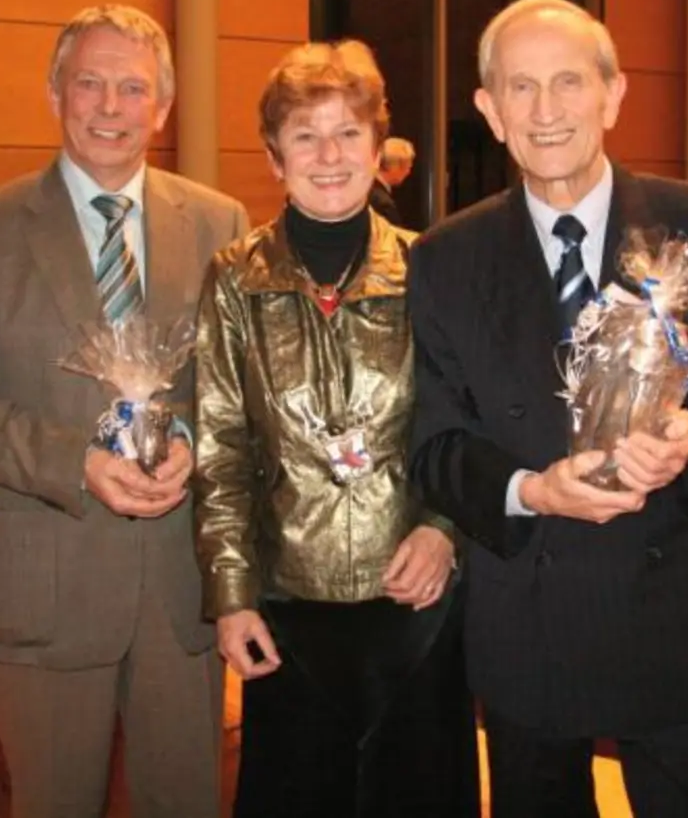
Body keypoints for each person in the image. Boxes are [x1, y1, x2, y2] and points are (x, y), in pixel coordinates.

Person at [406, 0, 688, 817]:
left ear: (614, 94)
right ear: (490, 111)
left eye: (569, 83)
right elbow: (436, 443)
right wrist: (532, 490)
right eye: (520, 88)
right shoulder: (445, 258)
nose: (546, 112)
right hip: (529, 625)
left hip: (678, 618)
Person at [0, 4, 248, 818]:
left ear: (161, 109)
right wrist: (75, 461)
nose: (108, 106)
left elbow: (239, 391)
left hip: (179, 587)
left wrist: (195, 442)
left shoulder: (220, 224)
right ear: (53, 92)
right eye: (89, 83)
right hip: (45, 587)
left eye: (132, 88)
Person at [195, 40, 478, 818]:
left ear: (378, 150)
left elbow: (468, 426)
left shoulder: (432, 269)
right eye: (305, 136)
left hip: (415, 599)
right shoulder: (233, 280)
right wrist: (231, 595)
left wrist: (444, 530)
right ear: (274, 156)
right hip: (288, 606)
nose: (329, 155)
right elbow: (219, 450)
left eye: (349, 134)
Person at [369, 136, 417, 232]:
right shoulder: (383, 203)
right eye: (408, 167)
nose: (408, 172)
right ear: (397, 166)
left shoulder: (367, 190)